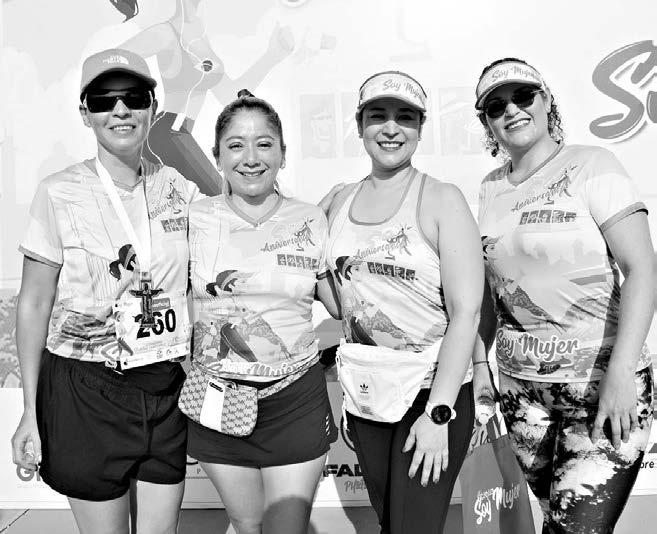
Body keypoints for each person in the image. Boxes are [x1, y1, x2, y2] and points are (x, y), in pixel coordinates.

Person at [10, 48, 201, 533]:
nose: (120, 110)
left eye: (133, 97)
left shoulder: (180, 189)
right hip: (87, 388)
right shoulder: (58, 192)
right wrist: (29, 411)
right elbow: (34, 304)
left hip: (165, 386)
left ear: (152, 107)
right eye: (103, 100)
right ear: (85, 113)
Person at [473, 57, 655, 533]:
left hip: (600, 387)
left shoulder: (593, 165)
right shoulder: (490, 188)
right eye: (496, 106)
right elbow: (493, 290)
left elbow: (642, 270)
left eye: (523, 96)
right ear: (487, 122)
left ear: (546, 100)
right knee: (556, 522)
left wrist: (620, 374)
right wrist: (479, 367)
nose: (512, 110)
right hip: (522, 395)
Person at [322, 71, 484, 534]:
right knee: (391, 523)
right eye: (378, 116)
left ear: (420, 127)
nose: (391, 128)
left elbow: (467, 313)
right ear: (360, 125)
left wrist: (439, 413)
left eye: (405, 117)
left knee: (413, 527)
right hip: (368, 396)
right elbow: (338, 304)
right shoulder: (338, 201)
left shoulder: (443, 199)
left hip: (431, 394)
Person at [186, 90, 339, 534]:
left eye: (264, 144)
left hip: (295, 399)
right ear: (217, 156)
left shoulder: (311, 219)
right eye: (236, 145)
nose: (251, 158)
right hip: (218, 398)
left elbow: (338, 304)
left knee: (286, 528)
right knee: (247, 523)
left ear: (283, 154)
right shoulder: (193, 220)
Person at [110, 0, 295, 195]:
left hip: (180, 133)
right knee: (220, 197)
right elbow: (110, 61)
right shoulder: (166, 33)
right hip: (165, 133)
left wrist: (272, 56)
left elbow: (229, 94)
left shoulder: (200, 36)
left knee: (213, 201)